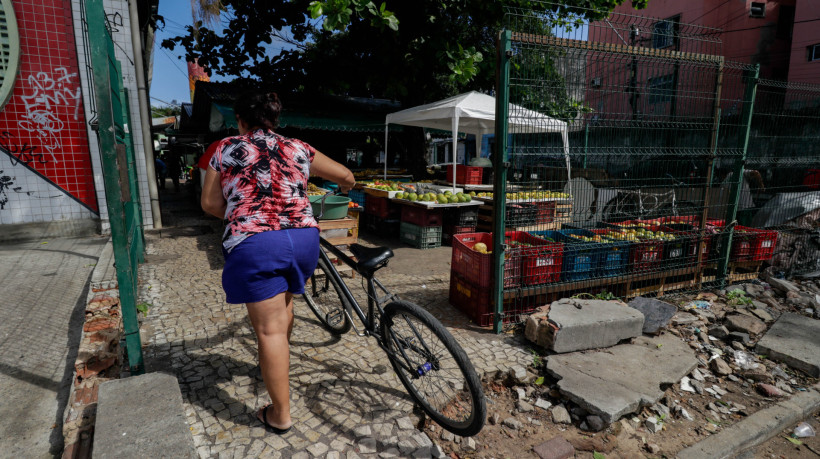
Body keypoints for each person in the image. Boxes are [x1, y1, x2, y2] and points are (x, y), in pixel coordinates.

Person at [201, 91, 355, 435]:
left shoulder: (224, 148)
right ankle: (277, 361)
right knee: (284, 308)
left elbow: (210, 204)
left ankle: (280, 415)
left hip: (256, 242)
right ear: (275, 120)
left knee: (268, 331)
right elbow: (346, 177)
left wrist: (243, 211)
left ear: (239, 120)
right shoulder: (299, 147)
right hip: (303, 239)